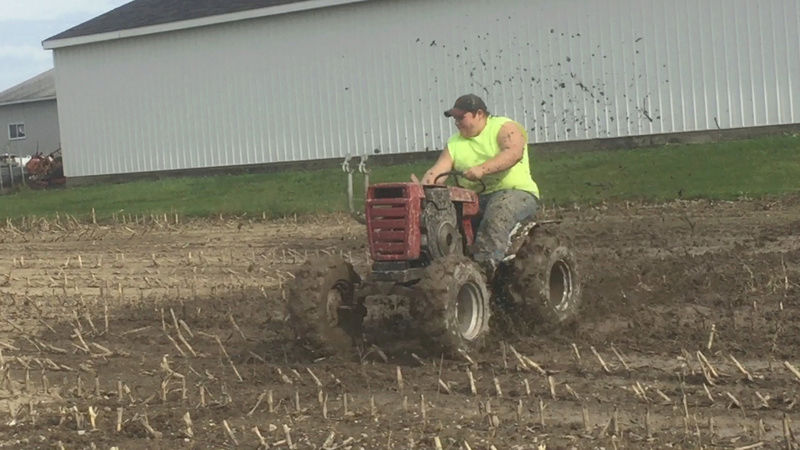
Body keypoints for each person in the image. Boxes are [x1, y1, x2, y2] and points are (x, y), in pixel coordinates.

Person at [420, 93, 540, 275]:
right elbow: (438, 171)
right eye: (454, 118)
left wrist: (483, 169)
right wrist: (421, 189)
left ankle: (486, 272)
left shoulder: (504, 127)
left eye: (461, 117)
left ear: (479, 114)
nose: (457, 122)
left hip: (515, 193)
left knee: (496, 216)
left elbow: (514, 153)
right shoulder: (454, 143)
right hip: (474, 198)